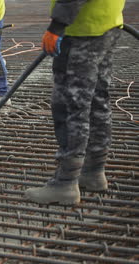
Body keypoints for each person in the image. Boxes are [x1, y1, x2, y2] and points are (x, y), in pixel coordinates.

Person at [25, 0, 125, 205]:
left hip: (81, 29)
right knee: (98, 101)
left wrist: (56, 26)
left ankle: (66, 182)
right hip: (108, 23)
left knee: (71, 106)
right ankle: (94, 172)